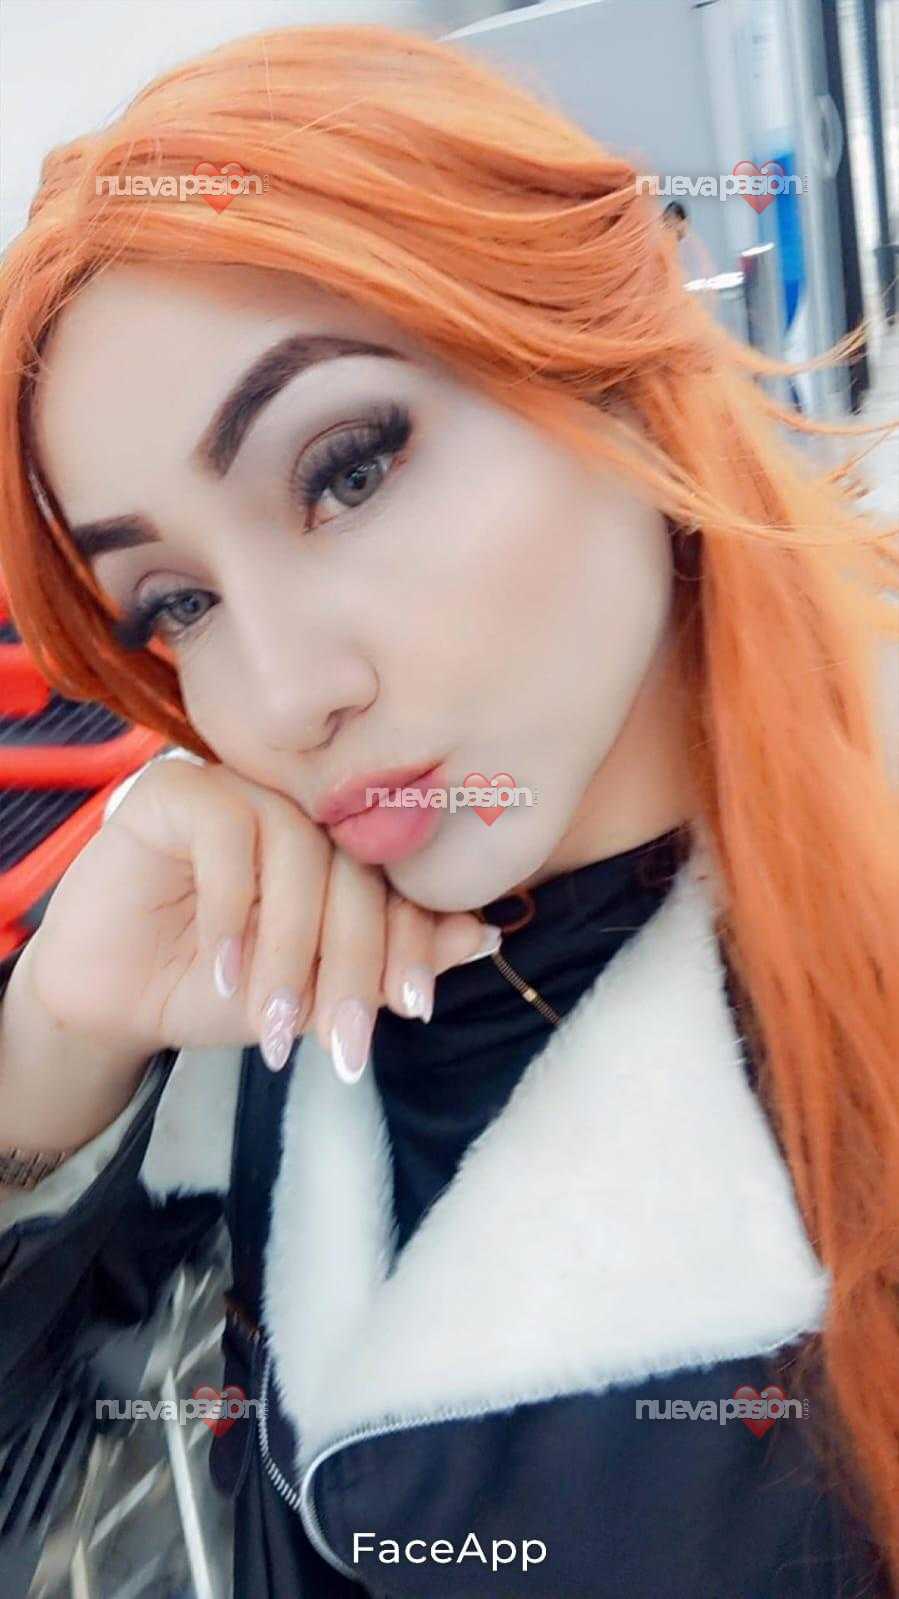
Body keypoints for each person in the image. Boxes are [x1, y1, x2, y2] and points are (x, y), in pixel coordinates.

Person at [0, 22, 897, 1599]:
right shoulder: (231, 999)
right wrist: (47, 1062)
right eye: (177, 603)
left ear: (614, 364)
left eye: (345, 471)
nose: (284, 694)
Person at [662, 198, 720, 284]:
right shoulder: (667, 247)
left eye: (674, 221)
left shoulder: (693, 244)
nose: (670, 225)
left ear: (684, 221)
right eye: (667, 222)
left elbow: (705, 271)